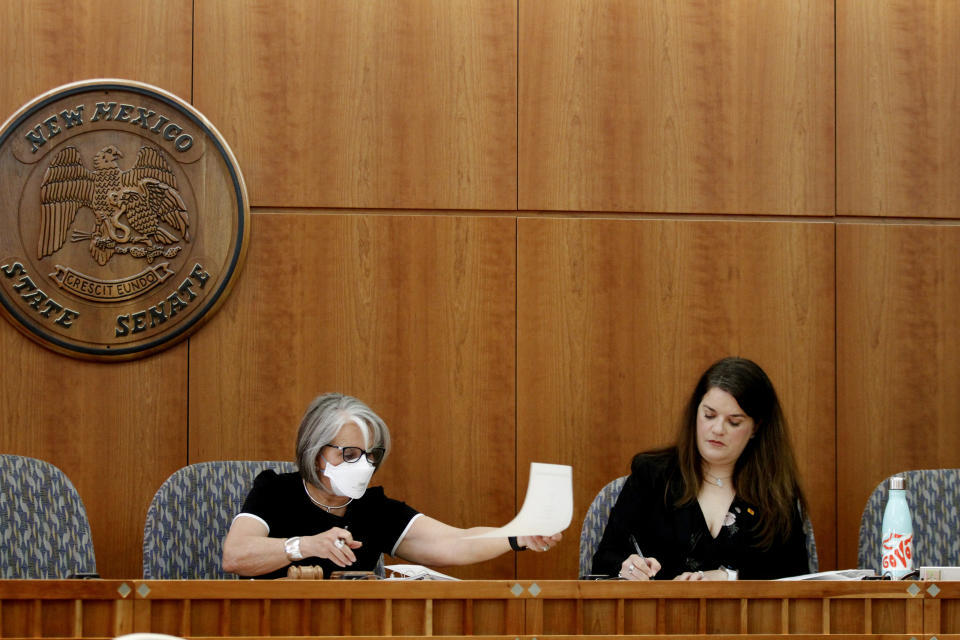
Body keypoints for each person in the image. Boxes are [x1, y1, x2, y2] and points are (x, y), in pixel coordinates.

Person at [223, 392, 562, 578]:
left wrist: (517, 536)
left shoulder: (374, 509)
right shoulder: (276, 491)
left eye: (371, 455)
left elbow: (455, 542)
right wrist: (306, 546)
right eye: (350, 453)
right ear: (315, 452)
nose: (364, 465)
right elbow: (236, 556)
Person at [591, 357, 810, 580]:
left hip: (744, 615)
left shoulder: (775, 489)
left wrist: (729, 578)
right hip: (657, 613)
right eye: (709, 415)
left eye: (734, 422)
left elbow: (797, 579)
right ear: (696, 411)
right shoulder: (653, 475)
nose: (717, 429)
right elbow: (602, 561)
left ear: (756, 427)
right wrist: (628, 568)